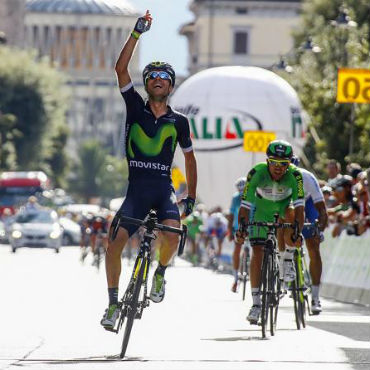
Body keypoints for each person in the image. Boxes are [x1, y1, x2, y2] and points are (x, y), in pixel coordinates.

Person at [100, 11, 197, 329]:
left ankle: (160, 273)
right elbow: (119, 69)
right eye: (152, 76)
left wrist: (191, 198)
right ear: (147, 83)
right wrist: (136, 33)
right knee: (114, 245)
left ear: (171, 85)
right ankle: (113, 305)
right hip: (136, 191)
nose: (157, 80)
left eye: (164, 77)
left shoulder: (179, 121)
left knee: (172, 234)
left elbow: (190, 160)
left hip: (163, 190)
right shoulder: (135, 108)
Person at [236, 140, 304, 324]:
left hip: (284, 207)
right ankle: (256, 303)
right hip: (262, 209)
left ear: (289, 163)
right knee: (257, 252)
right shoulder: (256, 173)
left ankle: (288, 258)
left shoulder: (295, 176)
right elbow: (245, 206)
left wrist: (297, 230)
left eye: (284, 164)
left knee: (291, 218)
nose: (279, 167)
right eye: (274, 162)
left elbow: (299, 208)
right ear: (267, 161)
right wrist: (241, 228)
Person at [291, 156, 328, 314]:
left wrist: (319, 227)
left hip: (307, 203)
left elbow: (321, 208)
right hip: (287, 204)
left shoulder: (307, 177)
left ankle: (315, 296)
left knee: (313, 247)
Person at [228, 177, 247, 292]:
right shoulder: (235, 197)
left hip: (252, 225)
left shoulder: (254, 195)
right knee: (237, 250)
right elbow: (230, 215)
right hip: (238, 226)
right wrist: (230, 231)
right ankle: (235, 279)